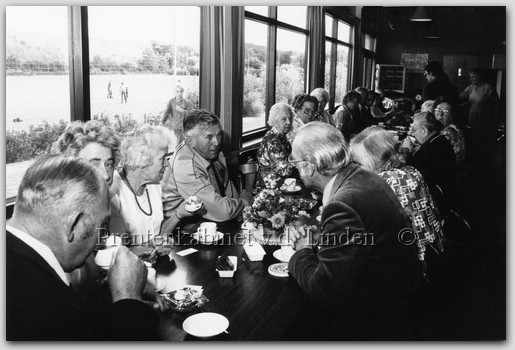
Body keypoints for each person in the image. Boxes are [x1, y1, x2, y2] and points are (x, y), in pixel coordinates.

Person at [287, 122, 422, 340]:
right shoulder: (361, 176)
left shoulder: (343, 204)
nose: (294, 167)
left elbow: (326, 294)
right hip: (399, 295)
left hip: (376, 319)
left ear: (309, 166)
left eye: (294, 161)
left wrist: (300, 253)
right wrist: (317, 235)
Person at [6, 155, 158, 340]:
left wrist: (117, 289)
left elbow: (77, 317)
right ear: (74, 225)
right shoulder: (44, 307)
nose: (100, 239)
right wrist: (129, 298)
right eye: (101, 225)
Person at [350, 126, 444, 277]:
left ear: (378, 160)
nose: (353, 169)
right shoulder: (408, 170)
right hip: (433, 251)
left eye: (358, 163)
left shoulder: (385, 182)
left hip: (417, 265)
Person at [52, 120, 120, 294]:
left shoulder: (108, 204)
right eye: (93, 164)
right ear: (69, 169)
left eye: (109, 164)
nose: (105, 175)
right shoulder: (58, 220)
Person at [161, 109, 253, 231]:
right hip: (182, 230)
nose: (217, 142)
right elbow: (222, 212)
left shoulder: (210, 151)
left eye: (219, 134)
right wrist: (244, 202)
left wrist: (239, 206)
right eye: (209, 137)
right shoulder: (186, 166)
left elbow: (226, 187)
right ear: (190, 141)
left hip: (209, 218)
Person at [109, 125, 194, 243]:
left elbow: (157, 235)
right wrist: (150, 247)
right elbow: (114, 252)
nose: (167, 164)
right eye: (163, 158)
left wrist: (178, 214)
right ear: (142, 160)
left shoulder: (154, 185)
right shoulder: (113, 191)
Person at [402, 112, 457, 213]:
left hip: (436, 201)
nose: (412, 133)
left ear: (423, 131)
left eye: (414, 130)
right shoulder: (437, 140)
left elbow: (413, 174)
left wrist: (407, 151)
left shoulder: (433, 148)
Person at [257, 102, 295, 187]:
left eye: (290, 118)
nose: (289, 122)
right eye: (284, 119)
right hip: (270, 189)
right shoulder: (272, 140)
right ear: (275, 121)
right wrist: (299, 156)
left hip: (283, 183)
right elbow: (284, 171)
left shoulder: (282, 136)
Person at [459, 68, 499, 147]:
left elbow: (496, 104)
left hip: (484, 120)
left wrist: (495, 119)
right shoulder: (471, 87)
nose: (471, 79)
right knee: (474, 141)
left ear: (480, 76)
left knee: (483, 143)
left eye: (473, 77)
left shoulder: (488, 88)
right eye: (470, 77)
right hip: (472, 119)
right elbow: (460, 97)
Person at [433, 96, 466, 166]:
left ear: (452, 115)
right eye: (438, 110)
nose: (440, 115)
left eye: (445, 112)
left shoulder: (449, 132)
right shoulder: (443, 128)